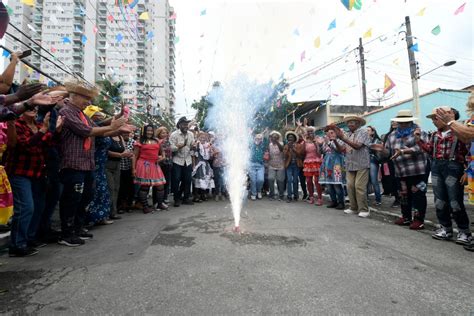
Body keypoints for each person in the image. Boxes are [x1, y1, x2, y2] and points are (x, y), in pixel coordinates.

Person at [58, 79, 125, 247]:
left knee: (85, 197)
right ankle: (67, 233)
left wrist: (115, 120)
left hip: (88, 164)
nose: (88, 102)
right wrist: (112, 126)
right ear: (73, 96)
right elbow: (87, 131)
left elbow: (98, 128)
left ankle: (78, 228)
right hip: (73, 163)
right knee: (72, 198)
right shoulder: (67, 112)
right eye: (85, 98)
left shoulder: (82, 114)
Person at [5, 108, 63, 257]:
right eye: (29, 107)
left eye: (34, 108)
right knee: (26, 207)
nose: (32, 110)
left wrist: (55, 130)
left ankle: (29, 238)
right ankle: (17, 244)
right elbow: (26, 145)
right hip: (20, 172)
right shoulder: (17, 124)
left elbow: (46, 144)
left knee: (38, 206)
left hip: (37, 173)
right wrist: (44, 130)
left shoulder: (37, 125)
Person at [417, 106, 471, 245]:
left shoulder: (460, 133)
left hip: (453, 167)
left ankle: (464, 231)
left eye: (436, 118)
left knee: (455, 201)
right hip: (436, 167)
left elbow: (467, 153)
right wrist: (419, 141)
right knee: (439, 200)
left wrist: (466, 170)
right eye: (433, 119)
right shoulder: (434, 135)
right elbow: (430, 150)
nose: (434, 121)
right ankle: (445, 228)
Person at [371, 109, 429, 230]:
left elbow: (422, 148)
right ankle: (406, 217)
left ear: (410, 121)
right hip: (400, 170)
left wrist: (403, 151)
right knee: (403, 194)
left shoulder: (419, 132)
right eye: (401, 122)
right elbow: (388, 153)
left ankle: (419, 220)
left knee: (418, 195)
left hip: (417, 169)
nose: (403, 124)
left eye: (406, 122)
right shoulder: (392, 135)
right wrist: (382, 150)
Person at [333, 116, 371, 218]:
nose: (349, 124)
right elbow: (341, 149)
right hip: (350, 164)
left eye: (352, 122)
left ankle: (364, 209)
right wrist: (335, 140)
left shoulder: (363, 132)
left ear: (358, 124)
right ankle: (353, 208)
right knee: (350, 186)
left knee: (359, 186)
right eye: (348, 123)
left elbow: (358, 146)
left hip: (361, 163)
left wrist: (343, 138)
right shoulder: (347, 134)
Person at [133, 125, 167, 213]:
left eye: (151, 131)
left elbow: (162, 152)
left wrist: (162, 157)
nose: (149, 132)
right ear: (144, 131)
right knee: (145, 186)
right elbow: (135, 156)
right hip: (144, 165)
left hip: (155, 165)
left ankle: (159, 204)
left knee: (160, 186)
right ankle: (145, 206)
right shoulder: (139, 141)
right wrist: (133, 168)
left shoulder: (156, 141)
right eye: (148, 131)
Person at [169, 117, 195, 207]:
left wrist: (193, 146)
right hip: (177, 160)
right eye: (183, 124)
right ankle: (176, 199)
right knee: (176, 180)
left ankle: (186, 198)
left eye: (186, 124)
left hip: (187, 160)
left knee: (187, 180)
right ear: (179, 125)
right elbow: (171, 148)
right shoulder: (174, 135)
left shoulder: (191, 134)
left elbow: (193, 144)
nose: (185, 126)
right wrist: (178, 146)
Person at [319, 126, 346, 210]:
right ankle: (333, 201)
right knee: (329, 185)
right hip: (326, 165)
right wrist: (320, 145)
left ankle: (341, 202)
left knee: (337, 184)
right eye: (328, 133)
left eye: (332, 132)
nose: (329, 134)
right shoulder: (326, 141)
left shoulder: (340, 141)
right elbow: (322, 152)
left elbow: (339, 150)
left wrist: (332, 142)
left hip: (337, 165)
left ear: (336, 133)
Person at [381, 121, 401, 208]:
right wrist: (381, 150)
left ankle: (406, 201)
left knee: (403, 182)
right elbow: (386, 149)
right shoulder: (389, 135)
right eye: (392, 122)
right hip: (390, 161)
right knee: (393, 180)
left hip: (403, 161)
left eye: (396, 122)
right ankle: (397, 198)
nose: (394, 123)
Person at [302, 127, 324, 205]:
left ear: (314, 132)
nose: (310, 133)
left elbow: (319, 153)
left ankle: (320, 198)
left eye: (312, 132)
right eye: (309, 132)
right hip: (307, 162)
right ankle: (311, 197)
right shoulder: (305, 142)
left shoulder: (318, 140)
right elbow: (303, 153)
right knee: (308, 181)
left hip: (316, 161)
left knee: (317, 181)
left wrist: (317, 144)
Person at [192, 132, 215, 201]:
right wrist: (194, 165)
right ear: (198, 137)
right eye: (201, 137)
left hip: (205, 164)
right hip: (198, 164)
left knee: (205, 179)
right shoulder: (197, 144)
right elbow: (193, 155)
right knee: (198, 179)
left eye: (204, 137)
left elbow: (209, 157)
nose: (203, 138)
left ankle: (203, 195)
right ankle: (196, 196)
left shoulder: (207, 145)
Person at [283, 131, 304, 202]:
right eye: (289, 138)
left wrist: (293, 149)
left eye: (291, 137)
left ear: (294, 138)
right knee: (289, 180)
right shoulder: (286, 146)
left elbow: (300, 155)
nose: (290, 139)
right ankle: (289, 197)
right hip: (289, 165)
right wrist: (288, 148)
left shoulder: (299, 145)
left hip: (296, 165)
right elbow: (284, 156)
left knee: (295, 180)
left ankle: (296, 196)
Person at [118, 132, 136, 212]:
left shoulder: (133, 142)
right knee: (121, 187)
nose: (126, 135)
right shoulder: (118, 141)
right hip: (119, 167)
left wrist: (133, 168)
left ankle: (129, 204)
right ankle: (121, 205)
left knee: (131, 187)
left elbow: (135, 154)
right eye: (124, 133)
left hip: (130, 167)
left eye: (127, 133)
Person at [249, 133, 268, 200]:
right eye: (257, 138)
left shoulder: (262, 146)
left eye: (260, 138)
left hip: (260, 165)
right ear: (254, 138)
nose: (258, 139)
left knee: (260, 180)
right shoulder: (251, 145)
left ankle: (259, 191)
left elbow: (266, 141)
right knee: (253, 180)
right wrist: (250, 133)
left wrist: (264, 135)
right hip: (252, 165)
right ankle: (253, 193)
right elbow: (248, 141)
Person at [156, 127, 172, 205]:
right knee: (159, 183)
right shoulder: (156, 141)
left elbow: (170, 153)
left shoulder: (168, 142)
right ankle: (158, 200)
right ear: (159, 134)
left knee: (166, 182)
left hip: (168, 163)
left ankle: (164, 198)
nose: (165, 134)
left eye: (166, 133)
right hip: (160, 164)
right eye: (163, 133)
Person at [267, 131, 285, 201]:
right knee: (270, 179)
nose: (274, 138)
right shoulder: (269, 145)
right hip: (271, 165)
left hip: (280, 165)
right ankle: (272, 194)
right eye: (273, 137)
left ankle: (281, 195)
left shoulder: (281, 143)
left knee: (280, 180)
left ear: (278, 138)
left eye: (275, 137)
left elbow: (282, 149)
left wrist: (277, 142)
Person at [367, 126, 382, 206]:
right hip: (365, 161)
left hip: (373, 161)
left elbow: (379, 150)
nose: (367, 132)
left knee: (374, 181)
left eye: (368, 130)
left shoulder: (377, 140)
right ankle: (365, 199)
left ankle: (378, 199)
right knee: (365, 181)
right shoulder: (365, 139)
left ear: (373, 132)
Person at [211, 135, 226, 201]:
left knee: (223, 180)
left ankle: (223, 194)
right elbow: (210, 157)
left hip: (224, 165)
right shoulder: (213, 146)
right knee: (216, 180)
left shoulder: (226, 145)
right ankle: (217, 194)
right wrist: (214, 153)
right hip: (216, 165)